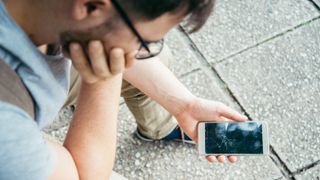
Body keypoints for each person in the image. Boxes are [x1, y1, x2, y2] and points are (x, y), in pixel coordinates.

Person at [0, 0, 247, 179]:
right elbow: (86, 176)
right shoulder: (7, 126)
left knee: (156, 63)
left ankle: (162, 126)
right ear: (90, 7)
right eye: (144, 40)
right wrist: (103, 78)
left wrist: (185, 105)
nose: (140, 49)